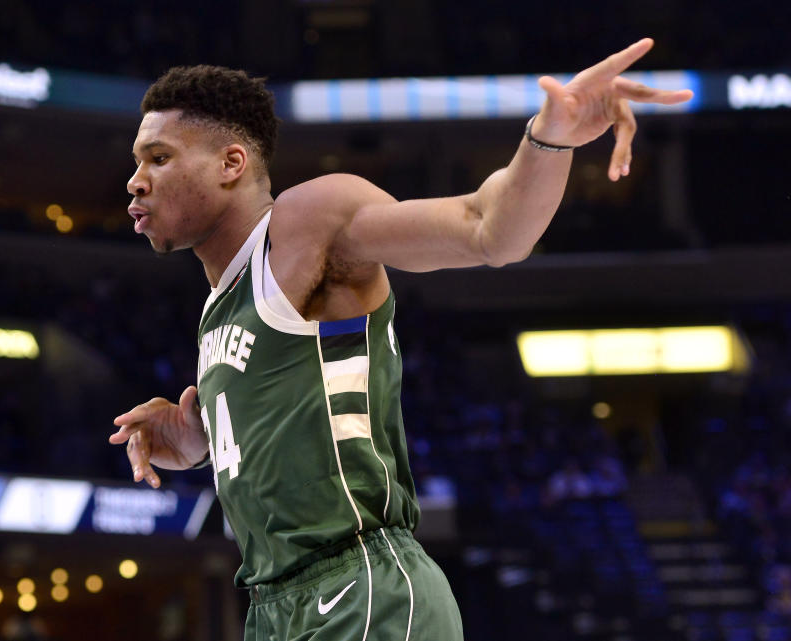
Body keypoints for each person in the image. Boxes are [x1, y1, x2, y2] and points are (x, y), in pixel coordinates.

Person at [109, 38, 692, 640]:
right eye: (136, 162)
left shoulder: (310, 221)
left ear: (231, 164)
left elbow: (488, 229)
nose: (135, 181)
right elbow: (290, 417)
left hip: (360, 587)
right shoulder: (217, 309)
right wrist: (197, 439)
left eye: (158, 158)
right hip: (274, 606)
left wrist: (548, 139)